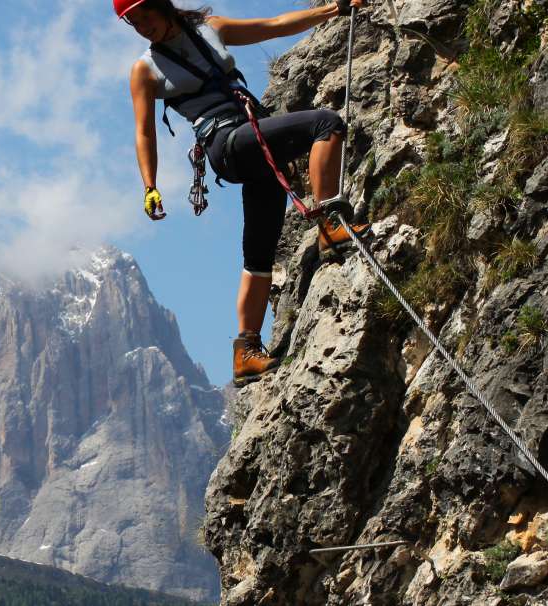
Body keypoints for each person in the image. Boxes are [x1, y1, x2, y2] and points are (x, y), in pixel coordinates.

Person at [118, 0, 369, 387]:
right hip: (226, 143)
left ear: (162, 5)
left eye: (145, 16)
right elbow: (144, 131)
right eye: (133, 23)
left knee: (260, 250)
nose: (142, 26)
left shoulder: (210, 28)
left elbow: (274, 24)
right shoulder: (145, 70)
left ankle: (245, 351)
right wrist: (150, 186)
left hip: (252, 137)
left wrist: (334, 9)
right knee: (327, 124)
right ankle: (329, 224)